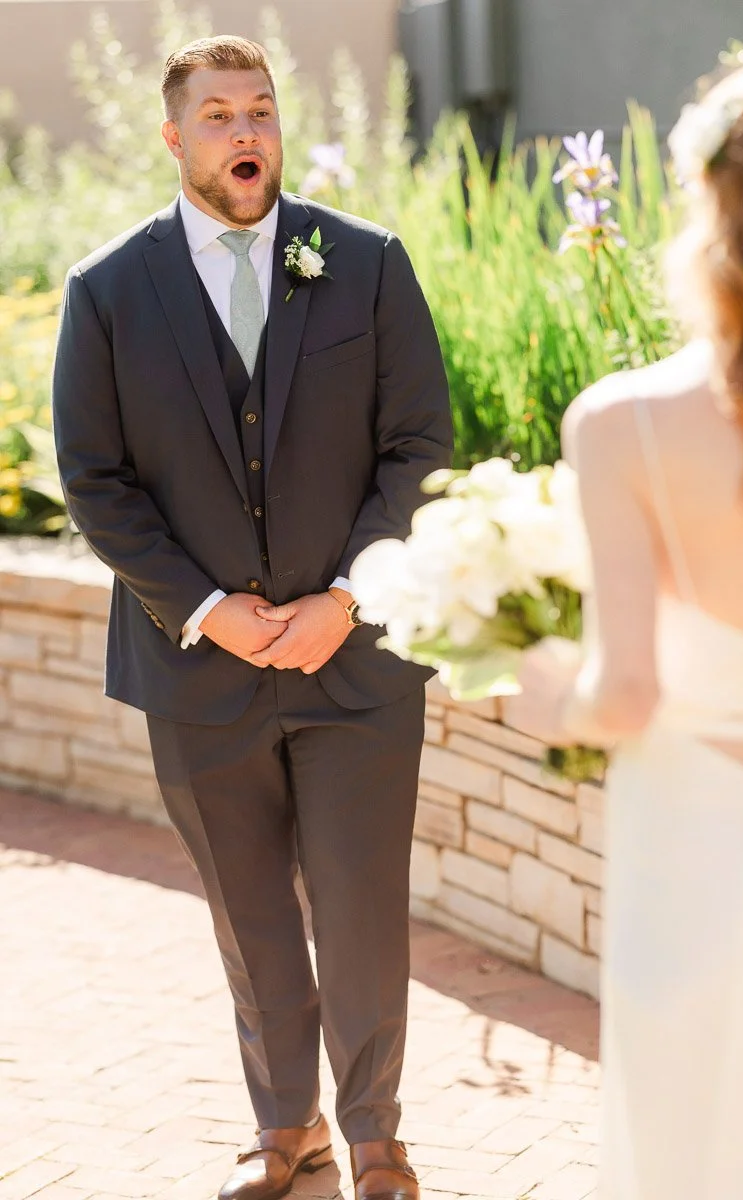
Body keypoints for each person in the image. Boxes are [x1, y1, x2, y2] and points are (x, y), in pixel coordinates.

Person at [52, 35, 452, 1200]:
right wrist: (210, 609)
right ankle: (289, 1130)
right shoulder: (108, 289)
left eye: (262, 111)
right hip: (199, 669)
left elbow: (418, 449)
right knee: (248, 917)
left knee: (360, 902)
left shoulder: (365, 263)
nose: (245, 132)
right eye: (218, 114)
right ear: (175, 139)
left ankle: (375, 1137)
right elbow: (96, 480)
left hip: (356, 661)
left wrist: (346, 598)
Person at [507, 54, 743, 1200]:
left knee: (696, 1145)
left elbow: (618, 697)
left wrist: (538, 692)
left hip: (699, 853)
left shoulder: (623, 424)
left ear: (705, 210)